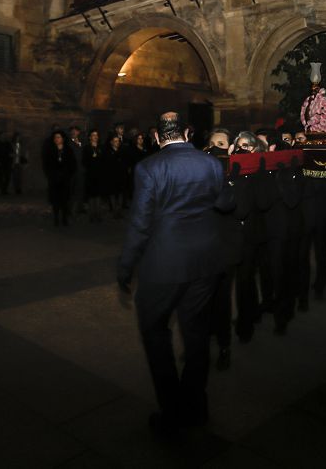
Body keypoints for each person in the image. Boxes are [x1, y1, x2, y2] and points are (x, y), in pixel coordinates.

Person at [117, 111, 228, 437]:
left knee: (154, 331)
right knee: (196, 336)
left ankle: (172, 410)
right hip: (204, 264)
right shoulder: (210, 163)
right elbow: (225, 203)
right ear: (188, 133)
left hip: (164, 266)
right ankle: (196, 407)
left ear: (156, 137)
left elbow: (140, 224)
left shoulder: (149, 167)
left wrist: (126, 266)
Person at [43, 130, 76, 227]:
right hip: (54, 179)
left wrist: (68, 174)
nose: (57, 139)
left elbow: (72, 164)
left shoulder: (68, 150)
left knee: (64, 200)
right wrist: (51, 175)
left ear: (63, 139)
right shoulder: (50, 150)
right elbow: (46, 165)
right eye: (55, 137)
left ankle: (64, 218)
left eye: (59, 137)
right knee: (55, 200)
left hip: (65, 179)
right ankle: (56, 218)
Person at [102, 134, 127, 218]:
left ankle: (119, 210)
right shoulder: (107, 152)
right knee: (112, 193)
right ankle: (114, 210)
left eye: (118, 141)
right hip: (111, 176)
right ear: (111, 142)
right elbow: (107, 165)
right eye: (115, 141)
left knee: (120, 193)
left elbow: (124, 163)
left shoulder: (122, 151)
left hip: (121, 175)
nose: (117, 143)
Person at [84, 129, 105, 222]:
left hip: (100, 175)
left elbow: (104, 160)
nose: (95, 137)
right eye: (93, 135)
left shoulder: (101, 147)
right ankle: (92, 215)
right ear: (90, 137)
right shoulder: (86, 148)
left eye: (96, 135)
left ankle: (99, 214)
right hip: (90, 175)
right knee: (91, 196)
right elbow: (84, 161)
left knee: (98, 196)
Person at [67, 126, 85, 221]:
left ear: (79, 132)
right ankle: (69, 209)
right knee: (70, 190)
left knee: (80, 189)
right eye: (72, 131)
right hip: (71, 170)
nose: (74, 132)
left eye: (76, 131)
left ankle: (79, 208)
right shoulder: (68, 143)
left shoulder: (82, 142)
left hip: (80, 170)